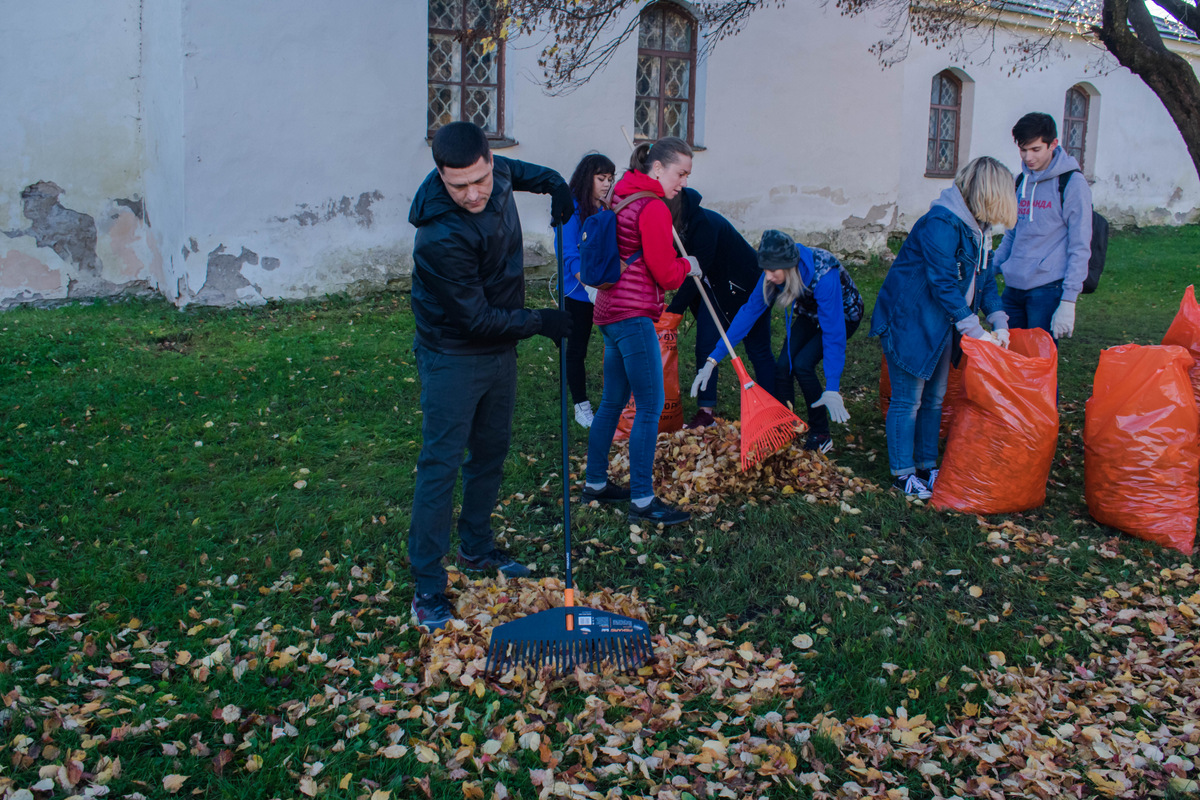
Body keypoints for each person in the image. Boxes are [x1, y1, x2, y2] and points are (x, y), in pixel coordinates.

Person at [406, 121, 576, 633]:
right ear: (440, 176)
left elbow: (525, 173)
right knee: (441, 464)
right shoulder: (439, 235)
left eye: (480, 179)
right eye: (459, 186)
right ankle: (428, 586)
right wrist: (541, 322)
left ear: (489, 161)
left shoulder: (496, 174)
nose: (474, 193)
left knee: (492, 450)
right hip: (454, 355)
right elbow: (474, 319)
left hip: (500, 348)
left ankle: (477, 547)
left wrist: (556, 184)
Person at [869, 156, 1017, 500]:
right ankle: (902, 473)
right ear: (988, 194)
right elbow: (943, 283)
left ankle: (926, 465)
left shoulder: (979, 229)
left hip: (944, 323)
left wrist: (999, 321)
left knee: (934, 399)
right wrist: (975, 331)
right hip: (911, 320)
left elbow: (985, 281)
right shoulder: (942, 222)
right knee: (908, 400)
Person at [583, 136, 701, 527]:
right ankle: (643, 499)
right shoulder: (653, 208)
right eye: (680, 173)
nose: (683, 183)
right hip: (633, 316)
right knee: (650, 406)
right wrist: (690, 267)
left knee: (612, 402)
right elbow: (665, 272)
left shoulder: (622, 194)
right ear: (658, 168)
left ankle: (596, 483)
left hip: (609, 311)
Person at [691, 230, 864, 454]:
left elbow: (834, 335)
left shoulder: (824, 276)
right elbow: (748, 312)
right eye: (765, 270)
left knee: (802, 364)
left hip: (842, 316)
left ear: (790, 266)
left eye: (772, 271)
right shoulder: (775, 273)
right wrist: (713, 359)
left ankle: (821, 434)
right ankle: (785, 427)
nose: (768, 276)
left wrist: (832, 387)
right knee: (783, 366)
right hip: (810, 313)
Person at [665, 187, 776, 429]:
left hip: (748, 286)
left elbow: (697, 269)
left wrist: (674, 311)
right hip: (715, 289)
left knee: (758, 349)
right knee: (706, 342)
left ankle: (773, 408)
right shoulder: (672, 228)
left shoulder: (704, 224)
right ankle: (706, 413)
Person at [993, 112, 1093, 341]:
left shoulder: (1071, 183)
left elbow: (1080, 245)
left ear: (1053, 144)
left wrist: (1069, 301)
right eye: (1023, 149)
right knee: (1008, 362)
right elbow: (1012, 233)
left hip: (1047, 289)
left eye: (1036, 149)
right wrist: (992, 268)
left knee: (1038, 366)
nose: (1028, 157)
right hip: (1013, 288)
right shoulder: (1021, 181)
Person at [555, 153, 616, 428]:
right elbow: (570, 255)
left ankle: (618, 400)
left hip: (603, 289)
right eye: (601, 178)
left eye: (610, 179)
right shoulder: (572, 210)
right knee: (576, 348)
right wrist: (590, 288)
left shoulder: (605, 210)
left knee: (613, 344)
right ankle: (581, 405)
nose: (606, 184)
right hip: (578, 293)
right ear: (587, 178)